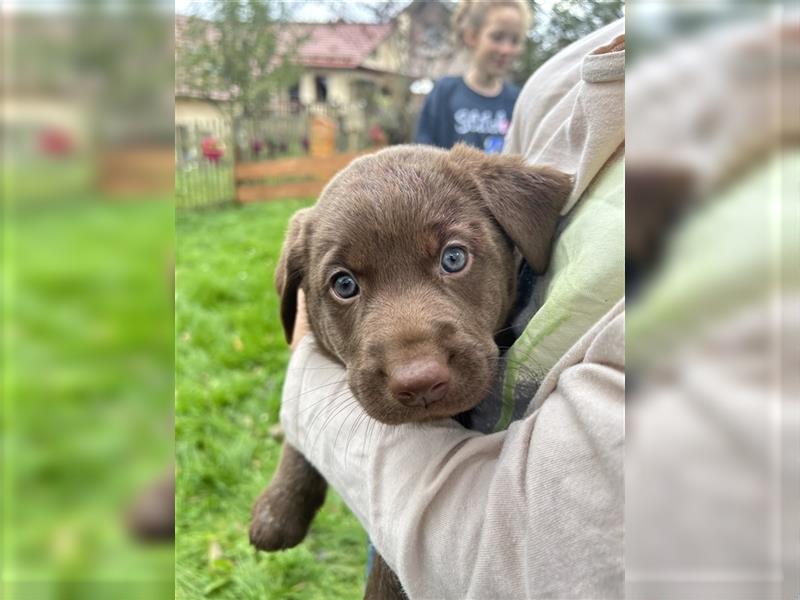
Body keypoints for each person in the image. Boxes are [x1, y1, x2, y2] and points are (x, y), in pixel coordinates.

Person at [279, 19, 625, 600]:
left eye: (454, 257)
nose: (417, 369)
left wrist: (304, 396)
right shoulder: (562, 76)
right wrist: (297, 471)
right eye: (343, 284)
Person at [414, 0, 530, 153]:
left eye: (515, 40)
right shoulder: (445, 92)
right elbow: (422, 153)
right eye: (497, 37)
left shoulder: (518, 100)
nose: (506, 50)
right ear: (472, 36)